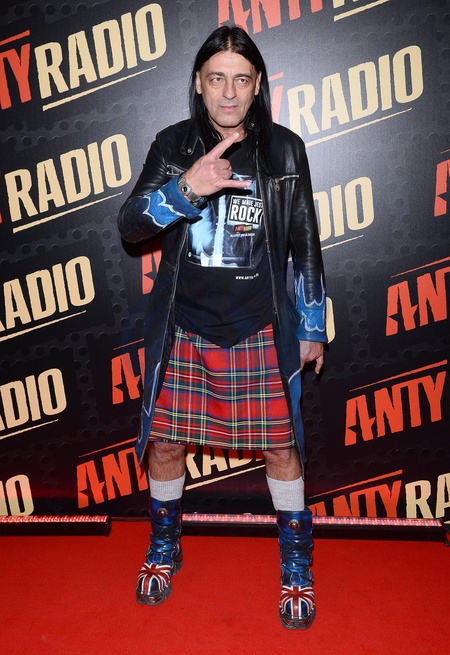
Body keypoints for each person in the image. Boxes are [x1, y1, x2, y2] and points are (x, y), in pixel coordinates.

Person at [118, 25, 327, 630]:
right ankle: (164, 547)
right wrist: (187, 187)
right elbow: (130, 226)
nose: (229, 92)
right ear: (198, 84)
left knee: (282, 448)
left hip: (260, 326)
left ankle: (296, 562)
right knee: (165, 444)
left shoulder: (285, 151)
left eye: (241, 79)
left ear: (258, 85)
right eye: (217, 78)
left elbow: (306, 243)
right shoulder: (171, 144)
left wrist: (313, 323)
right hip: (184, 325)